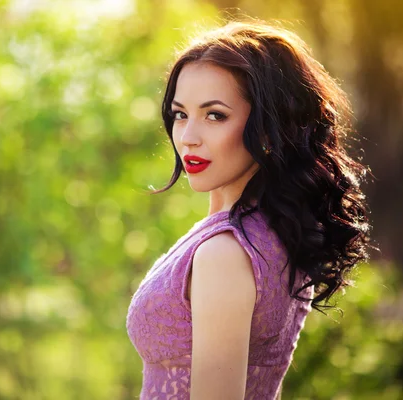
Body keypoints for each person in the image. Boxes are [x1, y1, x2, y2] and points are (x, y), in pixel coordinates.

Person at [125, 20, 372, 399]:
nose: (188, 137)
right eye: (180, 114)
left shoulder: (226, 254)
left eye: (215, 115)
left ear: (268, 128)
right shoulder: (264, 234)